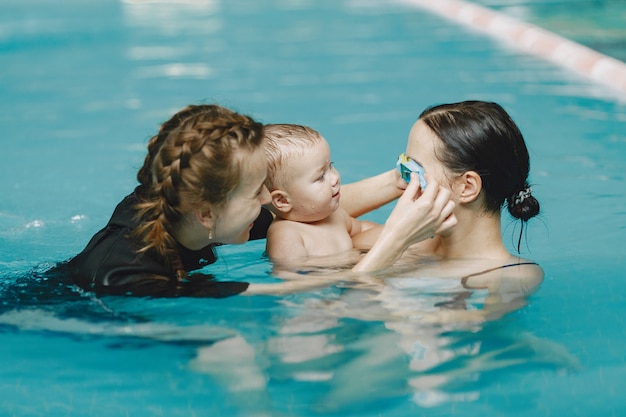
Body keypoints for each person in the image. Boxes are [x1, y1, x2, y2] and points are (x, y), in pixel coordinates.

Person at [60, 104, 454, 297]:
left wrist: (397, 179)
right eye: (256, 193)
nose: (270, 200)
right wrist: (395, 242)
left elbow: (306, 209)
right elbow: (290, 290)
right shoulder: (133, 276)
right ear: (207, 214)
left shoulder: (184, 200)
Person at [262, 124, 379, 267]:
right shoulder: (287, 235)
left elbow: (361, 228)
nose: (335, 178)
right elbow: (294, 279)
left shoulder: (334, 215)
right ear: (283, 200)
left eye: (330, 166)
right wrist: (352, 262)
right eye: (320, 177)